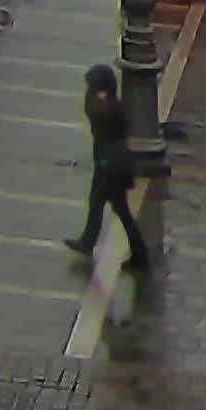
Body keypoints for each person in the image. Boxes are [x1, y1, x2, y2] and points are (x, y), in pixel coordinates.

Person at [66, 63, 152, 273]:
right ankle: (90, 242)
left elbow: (91, 112)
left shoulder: (106, 108)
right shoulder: (112, 104)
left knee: (112, 207)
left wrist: (103, 167)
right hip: (113, 164)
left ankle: (139, 256)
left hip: (111, 165)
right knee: (106, 205)